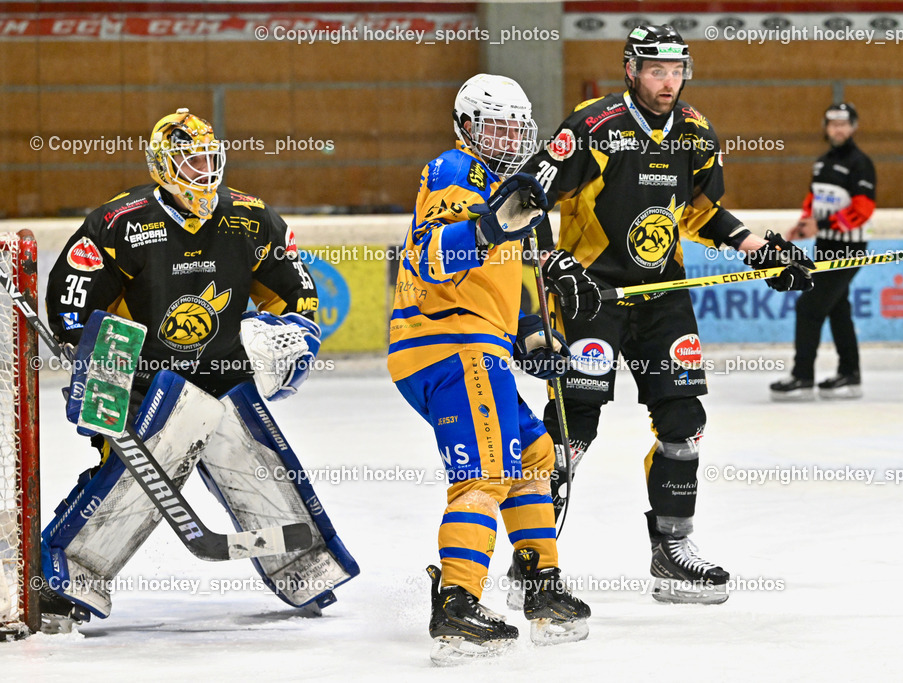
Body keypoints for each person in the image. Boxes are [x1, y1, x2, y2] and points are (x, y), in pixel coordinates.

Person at [522, 25, 814, 605]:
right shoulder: (590, 126)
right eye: (656, 70)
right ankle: (533, 559)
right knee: (572, 429)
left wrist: (758, 249)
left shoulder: (697, 134)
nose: (668, 81)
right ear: (630, 69)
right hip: (592, 297)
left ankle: (672, 551)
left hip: (664, 297)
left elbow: (702, 213)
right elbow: (527, 200)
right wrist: (551, 264)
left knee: (685, 421)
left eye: (677, 70)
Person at [40, 108, 359, 631]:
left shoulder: (250, 219)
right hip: (141, 378)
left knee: (257, 462)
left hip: (222, 371)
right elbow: (75, 312)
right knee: (132, 480)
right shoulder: (118, 223)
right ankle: (62, 579)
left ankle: (305, 567)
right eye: (190, 162)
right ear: (163, 165)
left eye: (210, 160)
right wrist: (103, 372)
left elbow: (295, 293)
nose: (203, 172)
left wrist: (294, 338)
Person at [388, 74, 590, 664]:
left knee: (534, 457)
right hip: (448, 343)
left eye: (515, 127)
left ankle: (540, 584)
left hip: (480, 346)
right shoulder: (459, 171)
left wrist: (536, 336)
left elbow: (505, 290)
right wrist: (495, 223)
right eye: (494, 125)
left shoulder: (510, 193)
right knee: (484, 472)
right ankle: (456, 602)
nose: (506, 138)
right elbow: (432, 261)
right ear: (467, 127)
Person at [771, 103, 876, 400]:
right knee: (837, 308)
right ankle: (850, 375)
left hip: (849, 247)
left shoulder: (860, 163)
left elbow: (863, 209)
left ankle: (802, 378)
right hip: (825, 246)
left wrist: (824, 224)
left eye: (844, 124)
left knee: (810, 306)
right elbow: (812, 199)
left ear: (853, 126)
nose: (838, 129)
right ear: (826, 127)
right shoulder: (821, 163)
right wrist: (802, 226)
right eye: (833, 124)